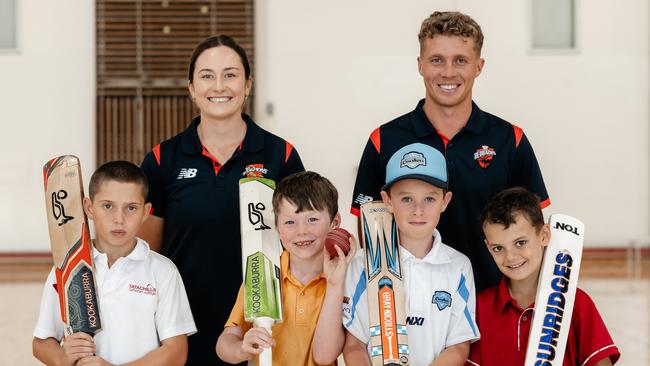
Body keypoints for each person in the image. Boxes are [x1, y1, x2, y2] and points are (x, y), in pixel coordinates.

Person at [350, 11, 549, 292]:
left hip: (492, 305)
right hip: (410, 306)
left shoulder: (509, 139)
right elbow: (370, 228)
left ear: (478, 66)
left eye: (460, 60)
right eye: (436, 60)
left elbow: (534, 226)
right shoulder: (384, 140)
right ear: (420, 65)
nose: (448, 72)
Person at [139, 35, 304, 364]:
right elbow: (148, 255)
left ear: (247, 85)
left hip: (260, 326)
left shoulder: (280, 154)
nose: (219, 86)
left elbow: (300, 243)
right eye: (207, 75)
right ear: (191, 88)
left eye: (230, 75)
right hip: (183, 326)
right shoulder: (163, 159)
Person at [33, 161, 196, 365]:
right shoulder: (68, 267)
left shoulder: (163, 271)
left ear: (146, 212)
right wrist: (62, 358)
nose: (119, 219)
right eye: (107, 206)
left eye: (131, 208)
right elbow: (41, 342)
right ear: (89, 208)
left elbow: (176, 352)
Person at [343, 143, 479, 365]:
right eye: (406, 199)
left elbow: (459, 345)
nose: (418, 210)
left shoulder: (458, 266)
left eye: (430, 199)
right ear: (388, 201)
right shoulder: (362, 263)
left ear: (445, 201)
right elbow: (354, 345)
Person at [467, 187, 620, 365]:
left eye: (520, 243)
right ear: (488, 247)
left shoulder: (577, 303)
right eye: (498, 248)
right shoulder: (479, 309)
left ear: (544, 235)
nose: (510, 257)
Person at [215, 171, 355, 365]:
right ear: (277, 229)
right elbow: (225, 342)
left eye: (312, 219)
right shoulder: (262, 272)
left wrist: (334, 285)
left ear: (335, 223)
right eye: (290, 222)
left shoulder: (346, 278)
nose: (301, 231)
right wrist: (241, 349)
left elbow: (324, 356)